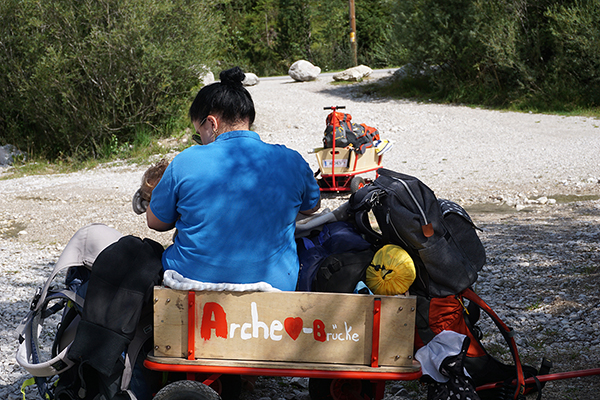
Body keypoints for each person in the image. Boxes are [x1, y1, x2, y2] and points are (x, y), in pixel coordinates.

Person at [147, 66, 320, 291]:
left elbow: (155, 222)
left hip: (192, 283)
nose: (200, 141)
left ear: (211, 123)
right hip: (276, 286)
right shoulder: (292, 160)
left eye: (198, 134)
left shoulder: (186, 160)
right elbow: (312, 207)